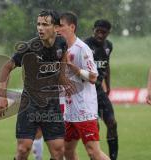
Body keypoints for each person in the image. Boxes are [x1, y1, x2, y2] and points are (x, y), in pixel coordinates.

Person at [0, 10, 71, 160]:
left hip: (52, 104)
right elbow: (6, 67)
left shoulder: (62, 42)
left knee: (58, 151)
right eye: (38, 24)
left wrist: (62, 78)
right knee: (23, 149)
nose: (40, 28)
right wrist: (2, 96)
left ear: (56, 28)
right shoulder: (29, 47)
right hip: (30, 104)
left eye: (45, 24)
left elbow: (63, 57)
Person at [57, 12, 110, 160]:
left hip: (84, 110)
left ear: (72, 27)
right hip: (69, 110)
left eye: (61, 26)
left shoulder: (81, 48)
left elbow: (93, 77)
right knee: (67, 151)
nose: (57, 29)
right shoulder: (61, 49)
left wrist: (73, 67)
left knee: (93, 152)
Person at [84, 20, 118, 160]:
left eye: (103, 32)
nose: (100, 34)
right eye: (97, 31)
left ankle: (113, 157)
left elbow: (107, 65)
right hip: (86, 92)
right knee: (94, 128)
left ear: (108, 33)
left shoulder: (108, 46)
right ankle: (96, 157)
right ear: (93, 30)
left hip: (99, 91)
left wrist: (108, 85)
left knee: (112, 123)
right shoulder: (85, 45)